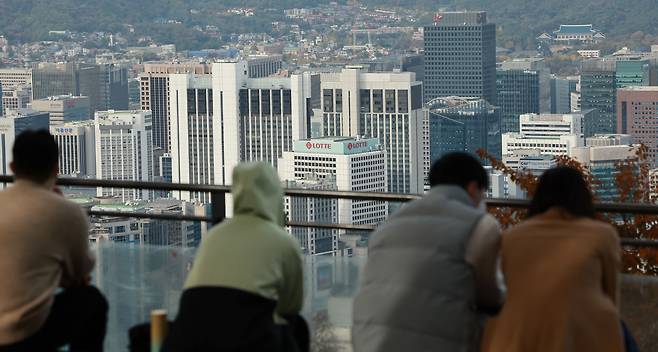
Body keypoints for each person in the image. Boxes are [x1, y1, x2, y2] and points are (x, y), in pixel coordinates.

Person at [352, 152, 505, 352]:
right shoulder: (480, 225)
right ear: (473, 187)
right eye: (482, 193)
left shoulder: (388, 224)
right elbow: (491, 297)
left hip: (369, 341)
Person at [162, 162, 307, 352]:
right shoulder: (284, 242)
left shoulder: (215, 234)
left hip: (187, 336)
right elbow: (291, 306)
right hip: (247, 339)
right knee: (298, 329)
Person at [481, 166, 624, 352]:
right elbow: (611, 292)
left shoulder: (511, 237)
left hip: (516, 333)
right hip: (583, 332)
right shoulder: (602, 235)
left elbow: (501, 290)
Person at [0, 130, 107, 351]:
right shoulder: (66, 212)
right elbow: (81, 272)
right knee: (92, 301)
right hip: (22, 334)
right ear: (56, 170)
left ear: (12, 168)